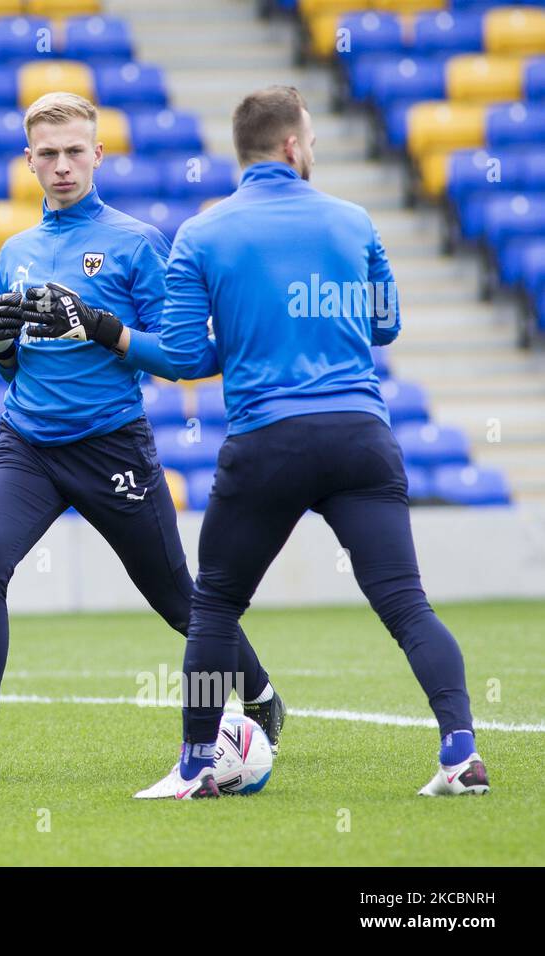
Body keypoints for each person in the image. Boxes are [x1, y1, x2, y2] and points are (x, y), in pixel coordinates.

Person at [135, 86, 487, 799]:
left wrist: (120, 336)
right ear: (293, 147)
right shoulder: (353, 221)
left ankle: (198, 763)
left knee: (215, 609)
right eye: (314, 142)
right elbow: (385, 326)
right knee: (406, 603)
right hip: (361, 436)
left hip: (269, 441)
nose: (315, 151)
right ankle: (460, 753)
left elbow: (176, 357)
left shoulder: (203, 234)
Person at [0, 92, 284, 784]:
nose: (62, 166)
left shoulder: (137, 242)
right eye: (48, 155)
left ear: (98, 155)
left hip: (112, 445)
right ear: (29, 162)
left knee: (181, 600)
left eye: (74, 152)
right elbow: (13, 366)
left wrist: (93, 321)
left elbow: (177, 356)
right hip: (27, 442)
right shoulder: (15, 252)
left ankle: (261, 696)